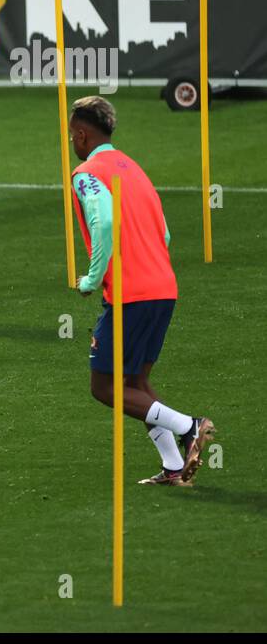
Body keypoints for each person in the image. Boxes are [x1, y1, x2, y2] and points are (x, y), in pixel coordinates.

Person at [69, 96, 216, 485]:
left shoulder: (86, 173)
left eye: (72, 136)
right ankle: (173, 466)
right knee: (135, 383)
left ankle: (189, 426)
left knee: (104, 386)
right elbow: (164, 232)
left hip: (130, 293)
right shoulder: (135, 169)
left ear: (82, 134)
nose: (72, 143)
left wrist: (91, 278)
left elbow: (102, 225)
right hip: (163, 286)